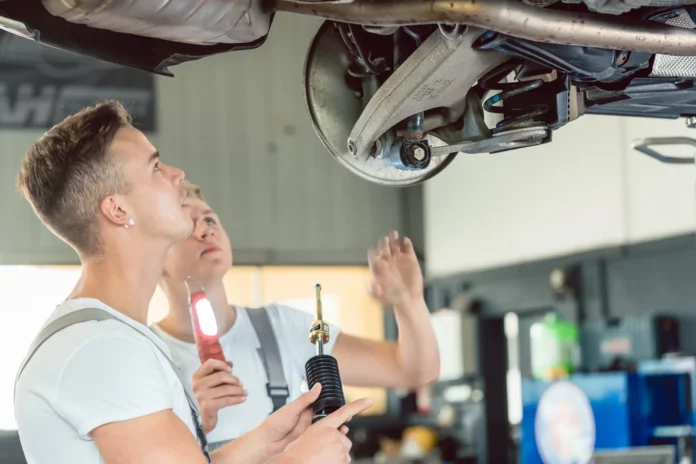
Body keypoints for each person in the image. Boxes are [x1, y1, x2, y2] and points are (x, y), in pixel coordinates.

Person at [13, 100, 371, 464]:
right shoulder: (102, 348)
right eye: (155, 167)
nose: (177, 174)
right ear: (118, 210)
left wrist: (264, 443)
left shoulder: (109, 337)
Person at [151, 180, 441, 447]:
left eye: (210, 218)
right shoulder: (143, 353)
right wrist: (197, 422)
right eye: (188, 227)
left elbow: (413, 370)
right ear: (153, 256)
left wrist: (409, 301)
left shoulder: (280, 328)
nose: (206, 229)